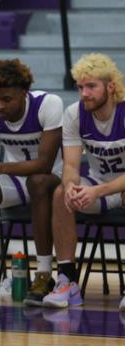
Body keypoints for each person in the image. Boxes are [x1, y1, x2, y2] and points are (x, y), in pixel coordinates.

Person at [0, 59, 63, 307]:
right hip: (15, 182)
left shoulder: (48, 104)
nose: (0, 105)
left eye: (7, 99)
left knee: (37, 182)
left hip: (51, 181)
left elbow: (45, 164)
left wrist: (1, 167)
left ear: (24, 94)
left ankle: (44, 274)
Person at [42, 54, 125, 309]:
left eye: (91, 86)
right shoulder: (75, 114)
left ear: (110, 86)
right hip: (98, 185)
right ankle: (67, 280)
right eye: (80, 87)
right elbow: (71, 165)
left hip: (115, 187)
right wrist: (71, 188)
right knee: (59, 195)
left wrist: (99, 191)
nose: (84, 93)